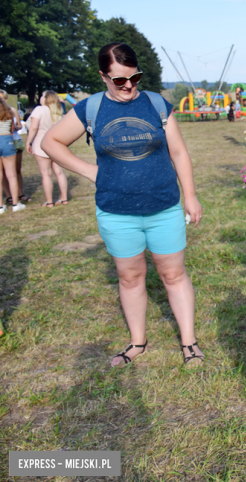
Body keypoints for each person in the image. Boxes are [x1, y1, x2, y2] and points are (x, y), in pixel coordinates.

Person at [42, 42, 204, 367]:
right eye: (119, 80)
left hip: (163, 207)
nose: (129, 86)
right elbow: (49, 142)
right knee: (130, 277)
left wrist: (190, 195)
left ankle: (189, 344)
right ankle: (138, 342)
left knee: (173, 274)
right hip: (116, 212)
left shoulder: (157, 104)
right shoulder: (90, 109)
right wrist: (89, 170)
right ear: (104, 76)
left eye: (135, 78)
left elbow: (179, 153)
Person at [27, 90, 69, 207]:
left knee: (46, 174)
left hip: (41, 144)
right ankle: (64, 198)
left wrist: (28, 142)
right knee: (59, 172)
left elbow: (33, 127)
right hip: (57, 144)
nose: (40, 98)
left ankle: (49, 201)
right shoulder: (58, 112)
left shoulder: (39, 109)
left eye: (42, 95)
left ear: (46, 98)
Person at [0, 90, 29, 207]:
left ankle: (1, 206)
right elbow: (13, 130)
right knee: (11, 175)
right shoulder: (9, 112)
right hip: (7, 141)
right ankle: (16, 204)